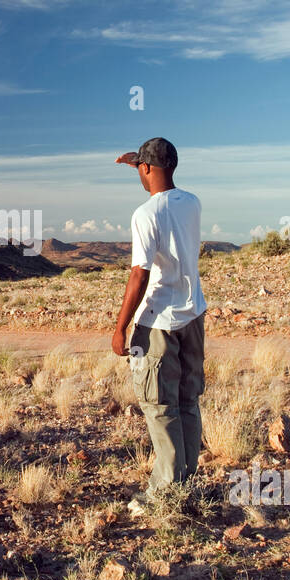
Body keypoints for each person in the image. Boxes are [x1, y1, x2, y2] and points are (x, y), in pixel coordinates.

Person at [111, 138, 208, 514]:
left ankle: (165, 492)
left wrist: (121, 327)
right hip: (193, 315)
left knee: (158, 404)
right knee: (187, 400)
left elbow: (140, 274)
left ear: (148, 169)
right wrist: (134, 161)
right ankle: (185, 478)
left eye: (140, 166)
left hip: (159, 322)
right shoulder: (192, 203)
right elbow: (160, 181)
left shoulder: (145, 213)